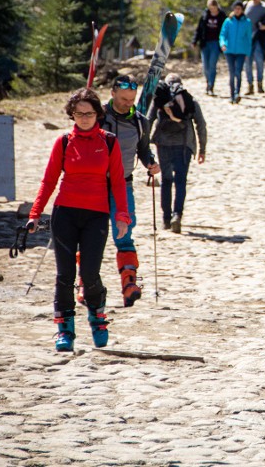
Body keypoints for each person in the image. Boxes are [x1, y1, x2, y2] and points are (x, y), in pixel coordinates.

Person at [29, 89, 130, 352]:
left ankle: (98, 318)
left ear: (98, 114)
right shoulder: (63, 142)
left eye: (89, 113)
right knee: (65, 275)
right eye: (78, 114)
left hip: (96, 215)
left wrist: (122, 214)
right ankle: (65, 331)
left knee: (89, 273)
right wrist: (35, 213)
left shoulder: (109, 142)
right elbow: (49, 180)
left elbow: (118, 181)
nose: (84, 118)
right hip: (65, 213)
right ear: (71, 115)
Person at [96, 75, 160, 307]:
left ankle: (129, 284)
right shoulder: (96, 116)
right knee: (91, 237)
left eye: (131, 99)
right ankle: (85, 284)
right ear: (112, 93)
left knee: (124, 234)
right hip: (93, 185)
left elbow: (143, 149)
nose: (127, 103)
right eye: (123, 99)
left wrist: (151, 162)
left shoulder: (140, 121)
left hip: (124, 185)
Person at [147, 73, 207, 234]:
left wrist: (142, 145)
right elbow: (201, 125)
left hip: (163, 143)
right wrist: (202, 149)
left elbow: (148, 120)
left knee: (166, 180)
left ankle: (166, 218)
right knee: (180, 181)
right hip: (184, 145)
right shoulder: (189, 100)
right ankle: (177, 215)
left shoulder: (159, 100)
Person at [219, 0, 253, 104]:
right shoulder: (228, 21)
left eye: (239, 8)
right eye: (236, 8)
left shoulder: (247, 22)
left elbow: (248, 38)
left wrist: (248, 52)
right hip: (229, 50)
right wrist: (223, 44)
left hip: (241, 51)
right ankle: (232, 95)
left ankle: (237, 92)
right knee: (231, 72)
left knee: (238, 72)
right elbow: (223, 34)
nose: (237, 10)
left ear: (242, 9)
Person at [243, 0, 265, 95]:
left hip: (259, 38)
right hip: (247, 38)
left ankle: (260, 84)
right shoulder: (246, 5)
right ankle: (250, 85)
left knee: (259, 61)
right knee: (247, 63)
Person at [192, 0, 226, 95]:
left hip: (216, 43)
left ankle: (211, 85)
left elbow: (225, 30)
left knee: (212, 65)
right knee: (205, 66)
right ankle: (207, 82)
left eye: (213, 8)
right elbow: (199, 29)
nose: (212, 10)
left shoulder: (222, 16)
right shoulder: (204, 15)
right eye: (210, 8)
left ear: (216, 6)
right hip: (205, 43)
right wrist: (194, 41)